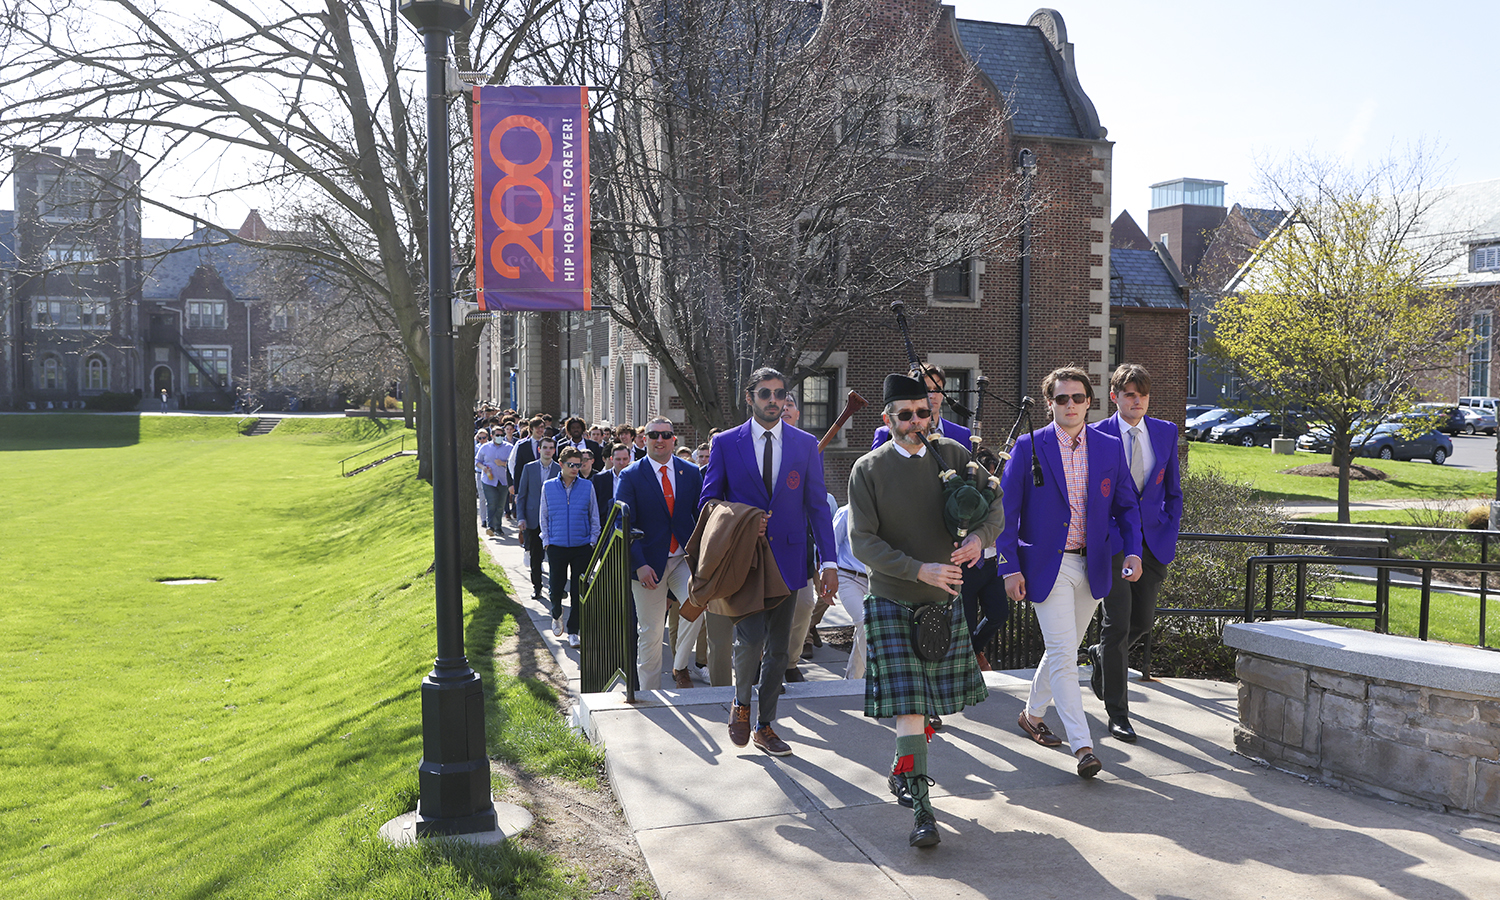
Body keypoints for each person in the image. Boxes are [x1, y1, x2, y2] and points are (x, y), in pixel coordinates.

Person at [848, 373, 1004, 848]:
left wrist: (980, 539)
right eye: (905, 415)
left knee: (926, 709)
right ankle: (922, 810)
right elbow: (863, 542)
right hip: (893, 600)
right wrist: (920, 570)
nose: (916, 422)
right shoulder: (868, 470)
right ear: (887, 419)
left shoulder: (953, 457)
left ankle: (902, 767)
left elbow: (994, 504)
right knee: (912, 708)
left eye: (923, 413)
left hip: (943, 604)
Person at [996, 366, 1142, 779]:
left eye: (1078, 398)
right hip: (1047, 565)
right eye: (1062, 398)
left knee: (1061, 651)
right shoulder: (1029, 448)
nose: (1071, 405)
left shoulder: (1109, 447)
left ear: (1089, 402)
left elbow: (1127, 506)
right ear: (1050, 404)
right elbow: (1006, 515)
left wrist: (1133, 551)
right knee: (1064, 654)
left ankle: (1030, 715)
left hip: (1093, 563)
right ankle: (1083, 745)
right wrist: (1009, 568)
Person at [700, 367, 837, 758]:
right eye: (765, 394)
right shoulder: (727, 443)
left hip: (790, 560)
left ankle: (765, 725)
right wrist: (742, 518)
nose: (773, 401)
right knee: (751, 639)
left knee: (779, 651)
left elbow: (816, 506)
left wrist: (828, 561)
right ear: (750, 397)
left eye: (779, 394)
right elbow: (707, 503)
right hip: (746, 561)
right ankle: (742, 703)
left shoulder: (804, 444)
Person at [1087, 364, 1182, 743]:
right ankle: (1118, 713)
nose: (1136, 400)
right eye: (1128, 394)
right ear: (1114, 397)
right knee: (1119, 624)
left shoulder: (1166, 431)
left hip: (1153, 542)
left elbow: (1173, 489)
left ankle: (1101, 654)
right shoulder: (1096, 435)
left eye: (1141, 394)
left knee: (1142, 622)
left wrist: (1169, 529)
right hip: (1114, 543)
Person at [616, 417, 705, 690]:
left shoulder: (690, 472)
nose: (660, 439)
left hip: (681, 558)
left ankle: (679, 666)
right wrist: (639, 564)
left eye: (666, 435)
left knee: (698, 608)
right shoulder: (631, 475)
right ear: (645, 439)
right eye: (654, 434)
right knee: (652, 632)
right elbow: (622, 523)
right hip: (648, 565)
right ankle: (649, 691)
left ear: (673, 439)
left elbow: (700, 516)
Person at [540, 448, 601, 648]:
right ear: (561, 464)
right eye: (571, 465)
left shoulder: (587, 486)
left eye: (579, 464)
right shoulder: (548, 486)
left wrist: (592, 540)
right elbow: (544, 516)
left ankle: (574, 630)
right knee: (555, 588)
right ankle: (556, 613)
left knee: (578, 590)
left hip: (581, 546)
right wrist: (546, 541)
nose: (576, 468)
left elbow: (594, 515)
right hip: (556, 545)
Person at [870, 364, 970, 449]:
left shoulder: (962, 435)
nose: (932, 395)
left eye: (937, 389)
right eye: (926, 390)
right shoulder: (885, 434)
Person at [515, 436, 560, 602]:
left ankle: (556, 588)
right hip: (533, 519)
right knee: (536, 556)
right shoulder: (529, 468)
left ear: (554, 451)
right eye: (545, 447)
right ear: (539, 449)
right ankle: (537, 587)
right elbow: (522, 495)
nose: (548, 450)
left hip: (554, 520)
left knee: (555, 557)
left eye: (551, 448)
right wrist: (521, 518)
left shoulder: (559, 469)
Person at [831, 501, 868, 678]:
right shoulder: (845, 513)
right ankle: (879, 677)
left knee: (864, 628)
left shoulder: (884, 510)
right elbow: (831, 545)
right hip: (848, 577)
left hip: (876, 580)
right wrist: (826, 574)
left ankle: (852, 681)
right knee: (864, 620)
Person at [476, 428, 512, 538]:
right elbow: (477, 461)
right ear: (492, 436)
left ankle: (498, 527)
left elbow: (513, 463)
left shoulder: (509, 447)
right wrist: (483, 468)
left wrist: (503, 463)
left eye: (502, 435)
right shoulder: (485, 447)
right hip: (489, 480)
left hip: (503, 480)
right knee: (491, 503)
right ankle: (490, 526)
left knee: (500, 505)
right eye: (497, 435)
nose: (499, 437)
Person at [594, 442, 632, 523]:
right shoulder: (599, 479)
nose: (622, 463)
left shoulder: (636, 478)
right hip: (606, 525)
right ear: (611, 459)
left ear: (630, 458)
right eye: (618, 459)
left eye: (625, 459)